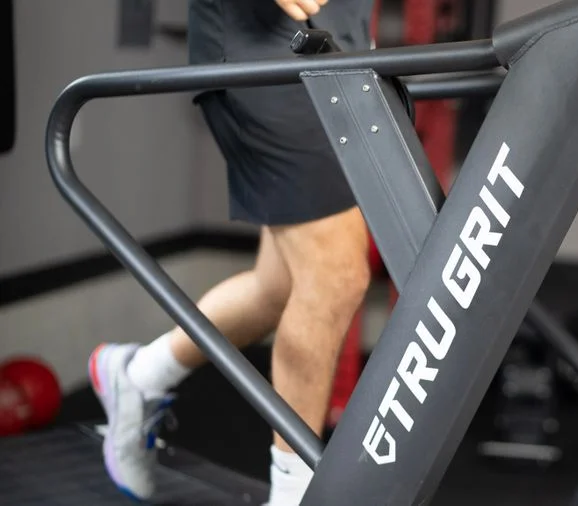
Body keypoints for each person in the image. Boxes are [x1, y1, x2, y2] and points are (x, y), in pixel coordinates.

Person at [87, 0, 375, 504]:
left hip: (335, 47)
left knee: (279, 288)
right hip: (266, 49)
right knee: (335, 278)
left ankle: (138, 377)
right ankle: (295, 493)